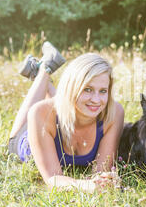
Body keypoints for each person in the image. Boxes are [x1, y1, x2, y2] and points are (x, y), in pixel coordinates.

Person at [8, 41, 124, 192]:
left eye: (102, 91)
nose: (96, 99)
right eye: (87, 89)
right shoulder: (40, 113)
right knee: (35, 113)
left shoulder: (114, 112)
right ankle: (43, 71)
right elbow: (52, 179)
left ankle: (41, 72)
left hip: (68, 107)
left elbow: (101, 171)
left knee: (79, 104)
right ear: (72, 86)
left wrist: (104, 181)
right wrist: (87, 185)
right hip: (30, 138)